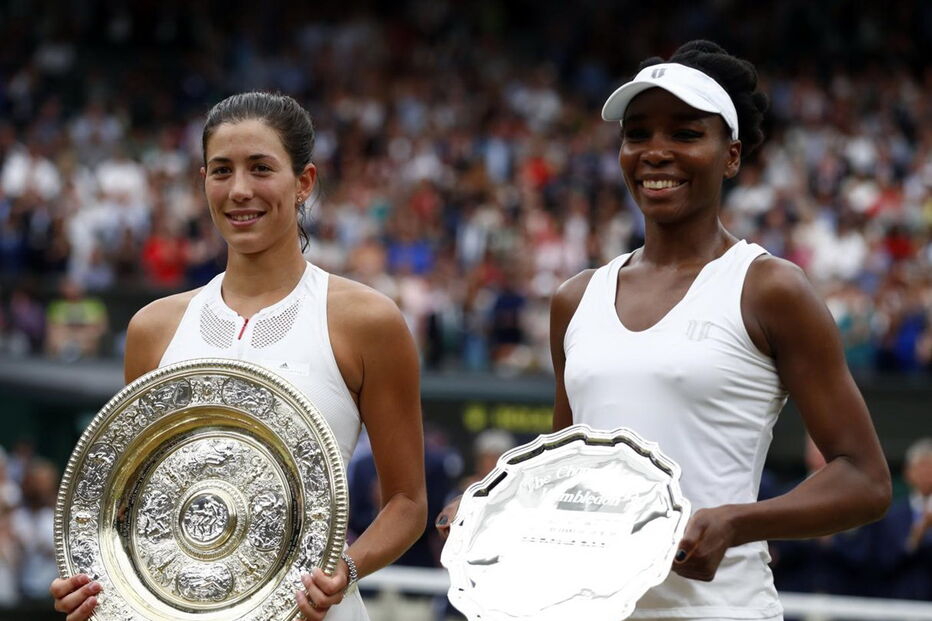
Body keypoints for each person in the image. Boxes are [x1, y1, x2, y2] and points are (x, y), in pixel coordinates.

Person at [438, 40, 890, 620]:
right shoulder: (575, 298)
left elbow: (867, 482)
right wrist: (487, 512)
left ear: (730, 155)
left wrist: (736, 522)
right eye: (638, 134)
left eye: (683, 134)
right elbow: (560, 477)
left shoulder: (769, 288)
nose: (655, 152)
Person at [50, 92, 428, 621]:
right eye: (222, 171)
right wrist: (97, 586)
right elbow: (133, 503)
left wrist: (345, 568)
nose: (240, 190)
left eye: (261, 168)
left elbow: (408, 503)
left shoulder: (366, 320)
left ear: (304, 183)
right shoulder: (153, 329)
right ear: (203, 180)